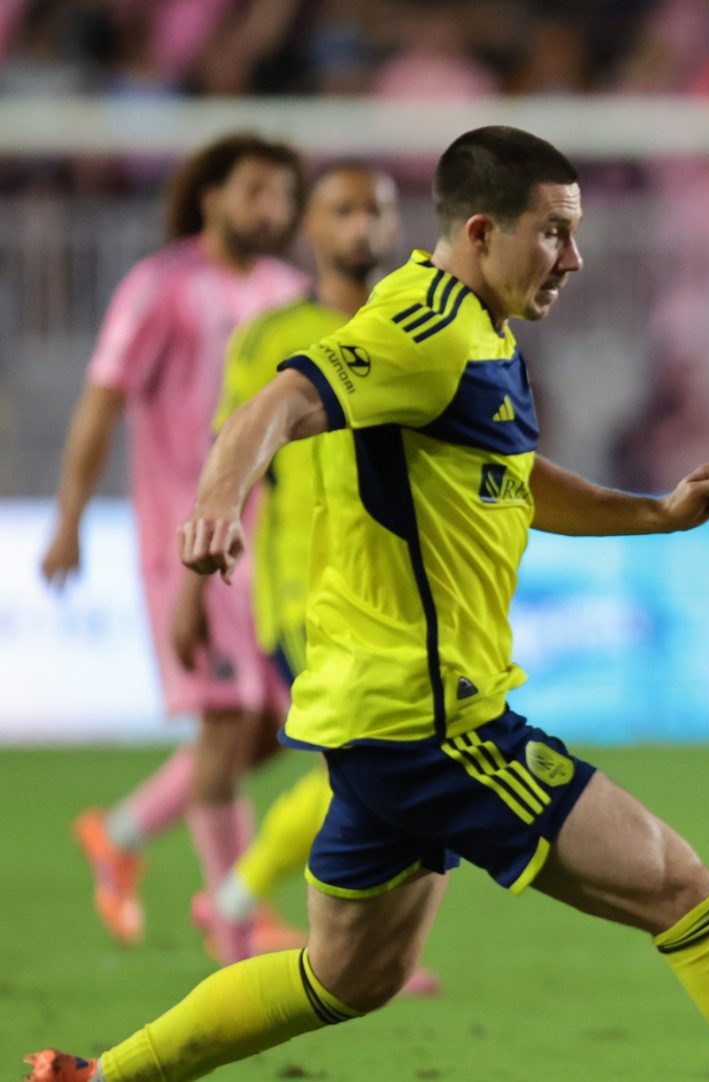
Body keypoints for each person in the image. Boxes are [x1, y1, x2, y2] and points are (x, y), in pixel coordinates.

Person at [24, 126, 709, 1082]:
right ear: (481, 230)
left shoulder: (476, 331)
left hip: (383, 718)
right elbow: (280, 403)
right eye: (552, 233)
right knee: (682, 892)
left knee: (347, 977)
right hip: (435, 726)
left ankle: (101, 1078)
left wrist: (659, 515)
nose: (574, 258)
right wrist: (216, 503)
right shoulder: (421, 331)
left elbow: (509, 473)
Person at [44, 134, 309, 961]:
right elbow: (102, 401)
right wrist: (70, 517)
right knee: (229, 725)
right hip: (186, 544)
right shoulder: (160, 288)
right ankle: (235, 926)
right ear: (211, 198)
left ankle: (120, 832)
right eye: (256, 192)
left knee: (275, 725)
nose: (272, 210)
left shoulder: (287, 293)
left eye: (282, 196)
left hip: (275, 551)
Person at [193, 161, 438, 993]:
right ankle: (241, 900)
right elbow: (230, 455)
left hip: (398, 594)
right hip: (306, 598)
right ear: (311, 226)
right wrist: (191, 587)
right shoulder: (270, 337)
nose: (360, 225)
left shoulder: (412, 324)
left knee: (393, 771)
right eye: (342, 209)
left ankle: (358, 950)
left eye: (376, 208)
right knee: (375, 767)